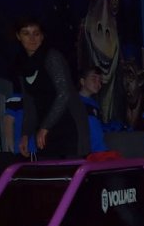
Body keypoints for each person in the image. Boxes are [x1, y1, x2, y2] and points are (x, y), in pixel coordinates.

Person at [14, 18, 89, 159]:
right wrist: (25, 134)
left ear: (42, 36)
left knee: (70, 175)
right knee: (51, 174)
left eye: (36, 33)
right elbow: (29, 104)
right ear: (18, 36)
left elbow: (64, 94)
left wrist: (45, 127)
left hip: (68, 125)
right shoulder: (22, 66)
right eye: (26, 33)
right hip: (46, 129)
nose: (32, 38)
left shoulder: (51, 57)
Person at [78, 67, 107, 152]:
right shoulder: (75, 102)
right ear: (82, 81)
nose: (98, 83)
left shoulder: (94, 104)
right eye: (94, 79)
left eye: (100, 80)